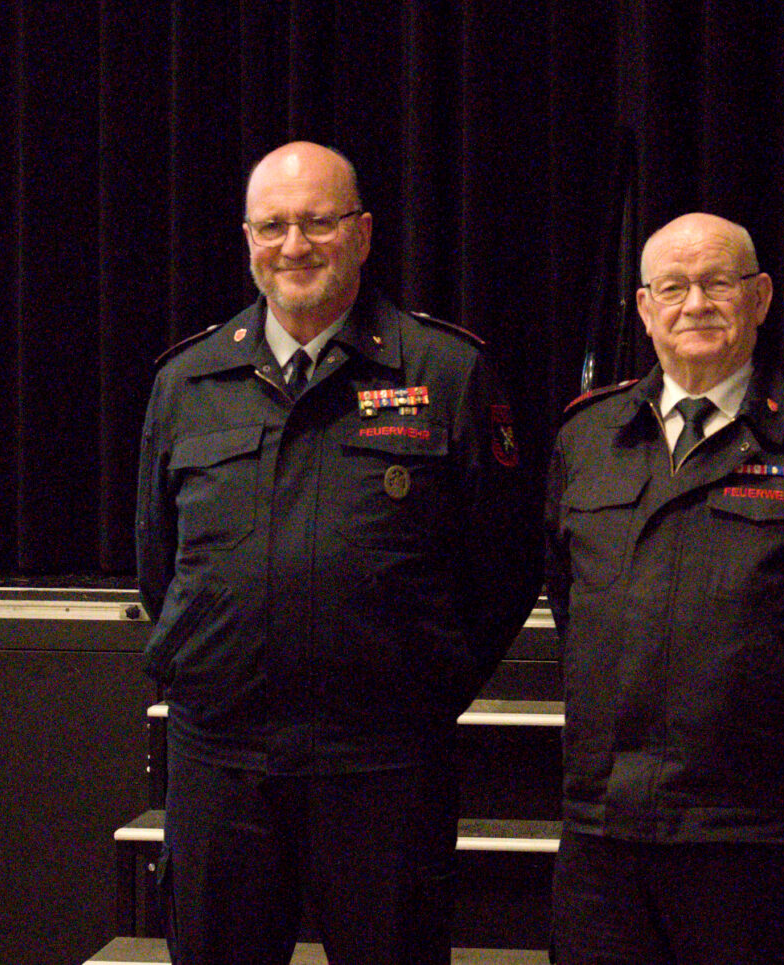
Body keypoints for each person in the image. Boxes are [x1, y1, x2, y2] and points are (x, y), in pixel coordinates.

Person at [135, 141, 540, 963]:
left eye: (318, 221)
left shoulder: (448, 371)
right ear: (248, 238)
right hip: (223, 761)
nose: (294, 246)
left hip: (382, 762)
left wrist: (427, 680)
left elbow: (502, 569)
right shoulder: (188, 378)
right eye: (273, 225)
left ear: (362, 233)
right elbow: (157, 555)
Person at [545, 212, 784, 964]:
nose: (696, 305)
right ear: (645, 309)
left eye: (718, 282)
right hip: (603, 829)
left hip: (756, 835)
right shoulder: (587, 437)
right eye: (674, 288)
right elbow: (570, 601)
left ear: (761, 297)